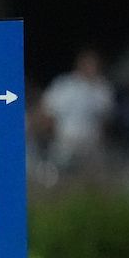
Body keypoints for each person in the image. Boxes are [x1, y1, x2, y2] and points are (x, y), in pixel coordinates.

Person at [41, 47, 114, 178]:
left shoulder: (103, 88)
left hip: (90, 143)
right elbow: (48, 114)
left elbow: (105, 119)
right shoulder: (64, 85)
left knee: (93, 178)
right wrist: (55, 137)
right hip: (65, 142)